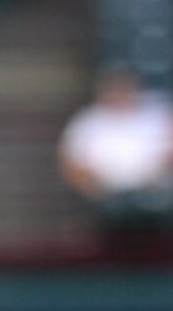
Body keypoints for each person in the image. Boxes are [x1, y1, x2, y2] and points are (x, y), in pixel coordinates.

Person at [57, 68, 173, 207]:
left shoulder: (158, 112)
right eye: (114, 90)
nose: (120, 95)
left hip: (157, 190)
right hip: (107, 195)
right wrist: (94, 190)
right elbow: (70, 164)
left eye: (124, 89)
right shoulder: (86, 122)